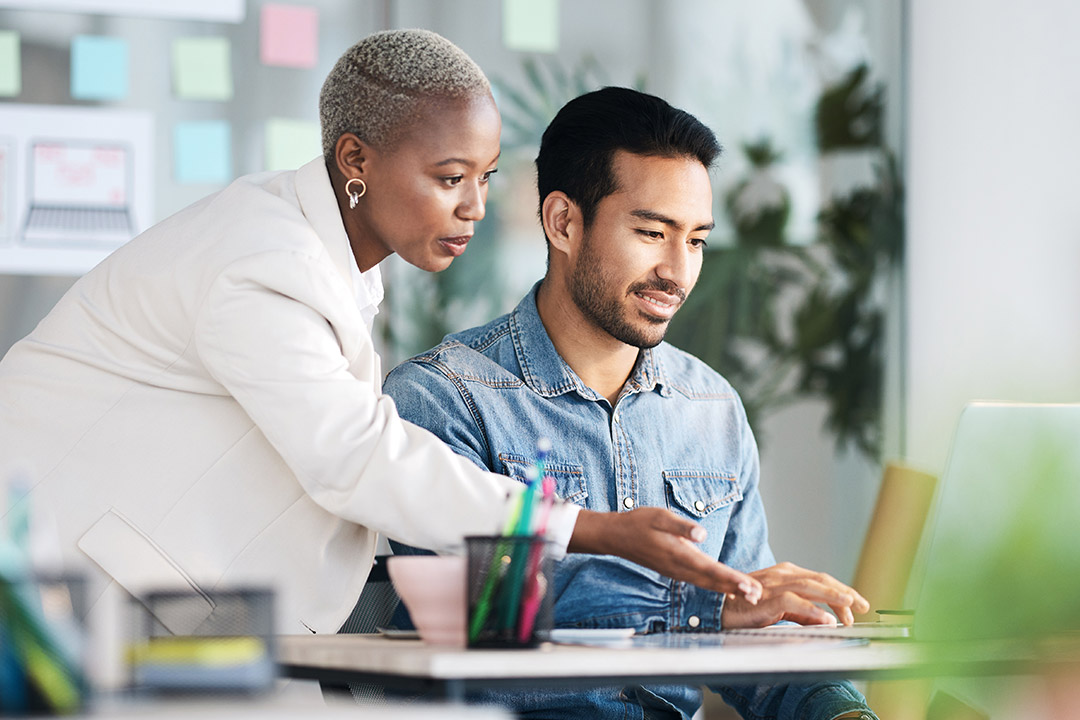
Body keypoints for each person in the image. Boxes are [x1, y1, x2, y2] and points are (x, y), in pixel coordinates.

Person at [0, 30, 761, 667]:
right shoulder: (266, 263)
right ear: (356, 161)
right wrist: (593, 529)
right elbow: (358, 462)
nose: (476, 208)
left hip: (178, 609)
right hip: (66, 586)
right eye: (449, 177)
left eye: (487, 177)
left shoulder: (709, 407)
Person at [384, 87, 877, 719]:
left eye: (696, 240)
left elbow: (758, 638)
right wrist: (705, 607)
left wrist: (841, 711)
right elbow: (474, 602)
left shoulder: (710, 407)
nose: (678, 271)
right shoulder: (443, 397)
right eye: (652, 232)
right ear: (563, 222)